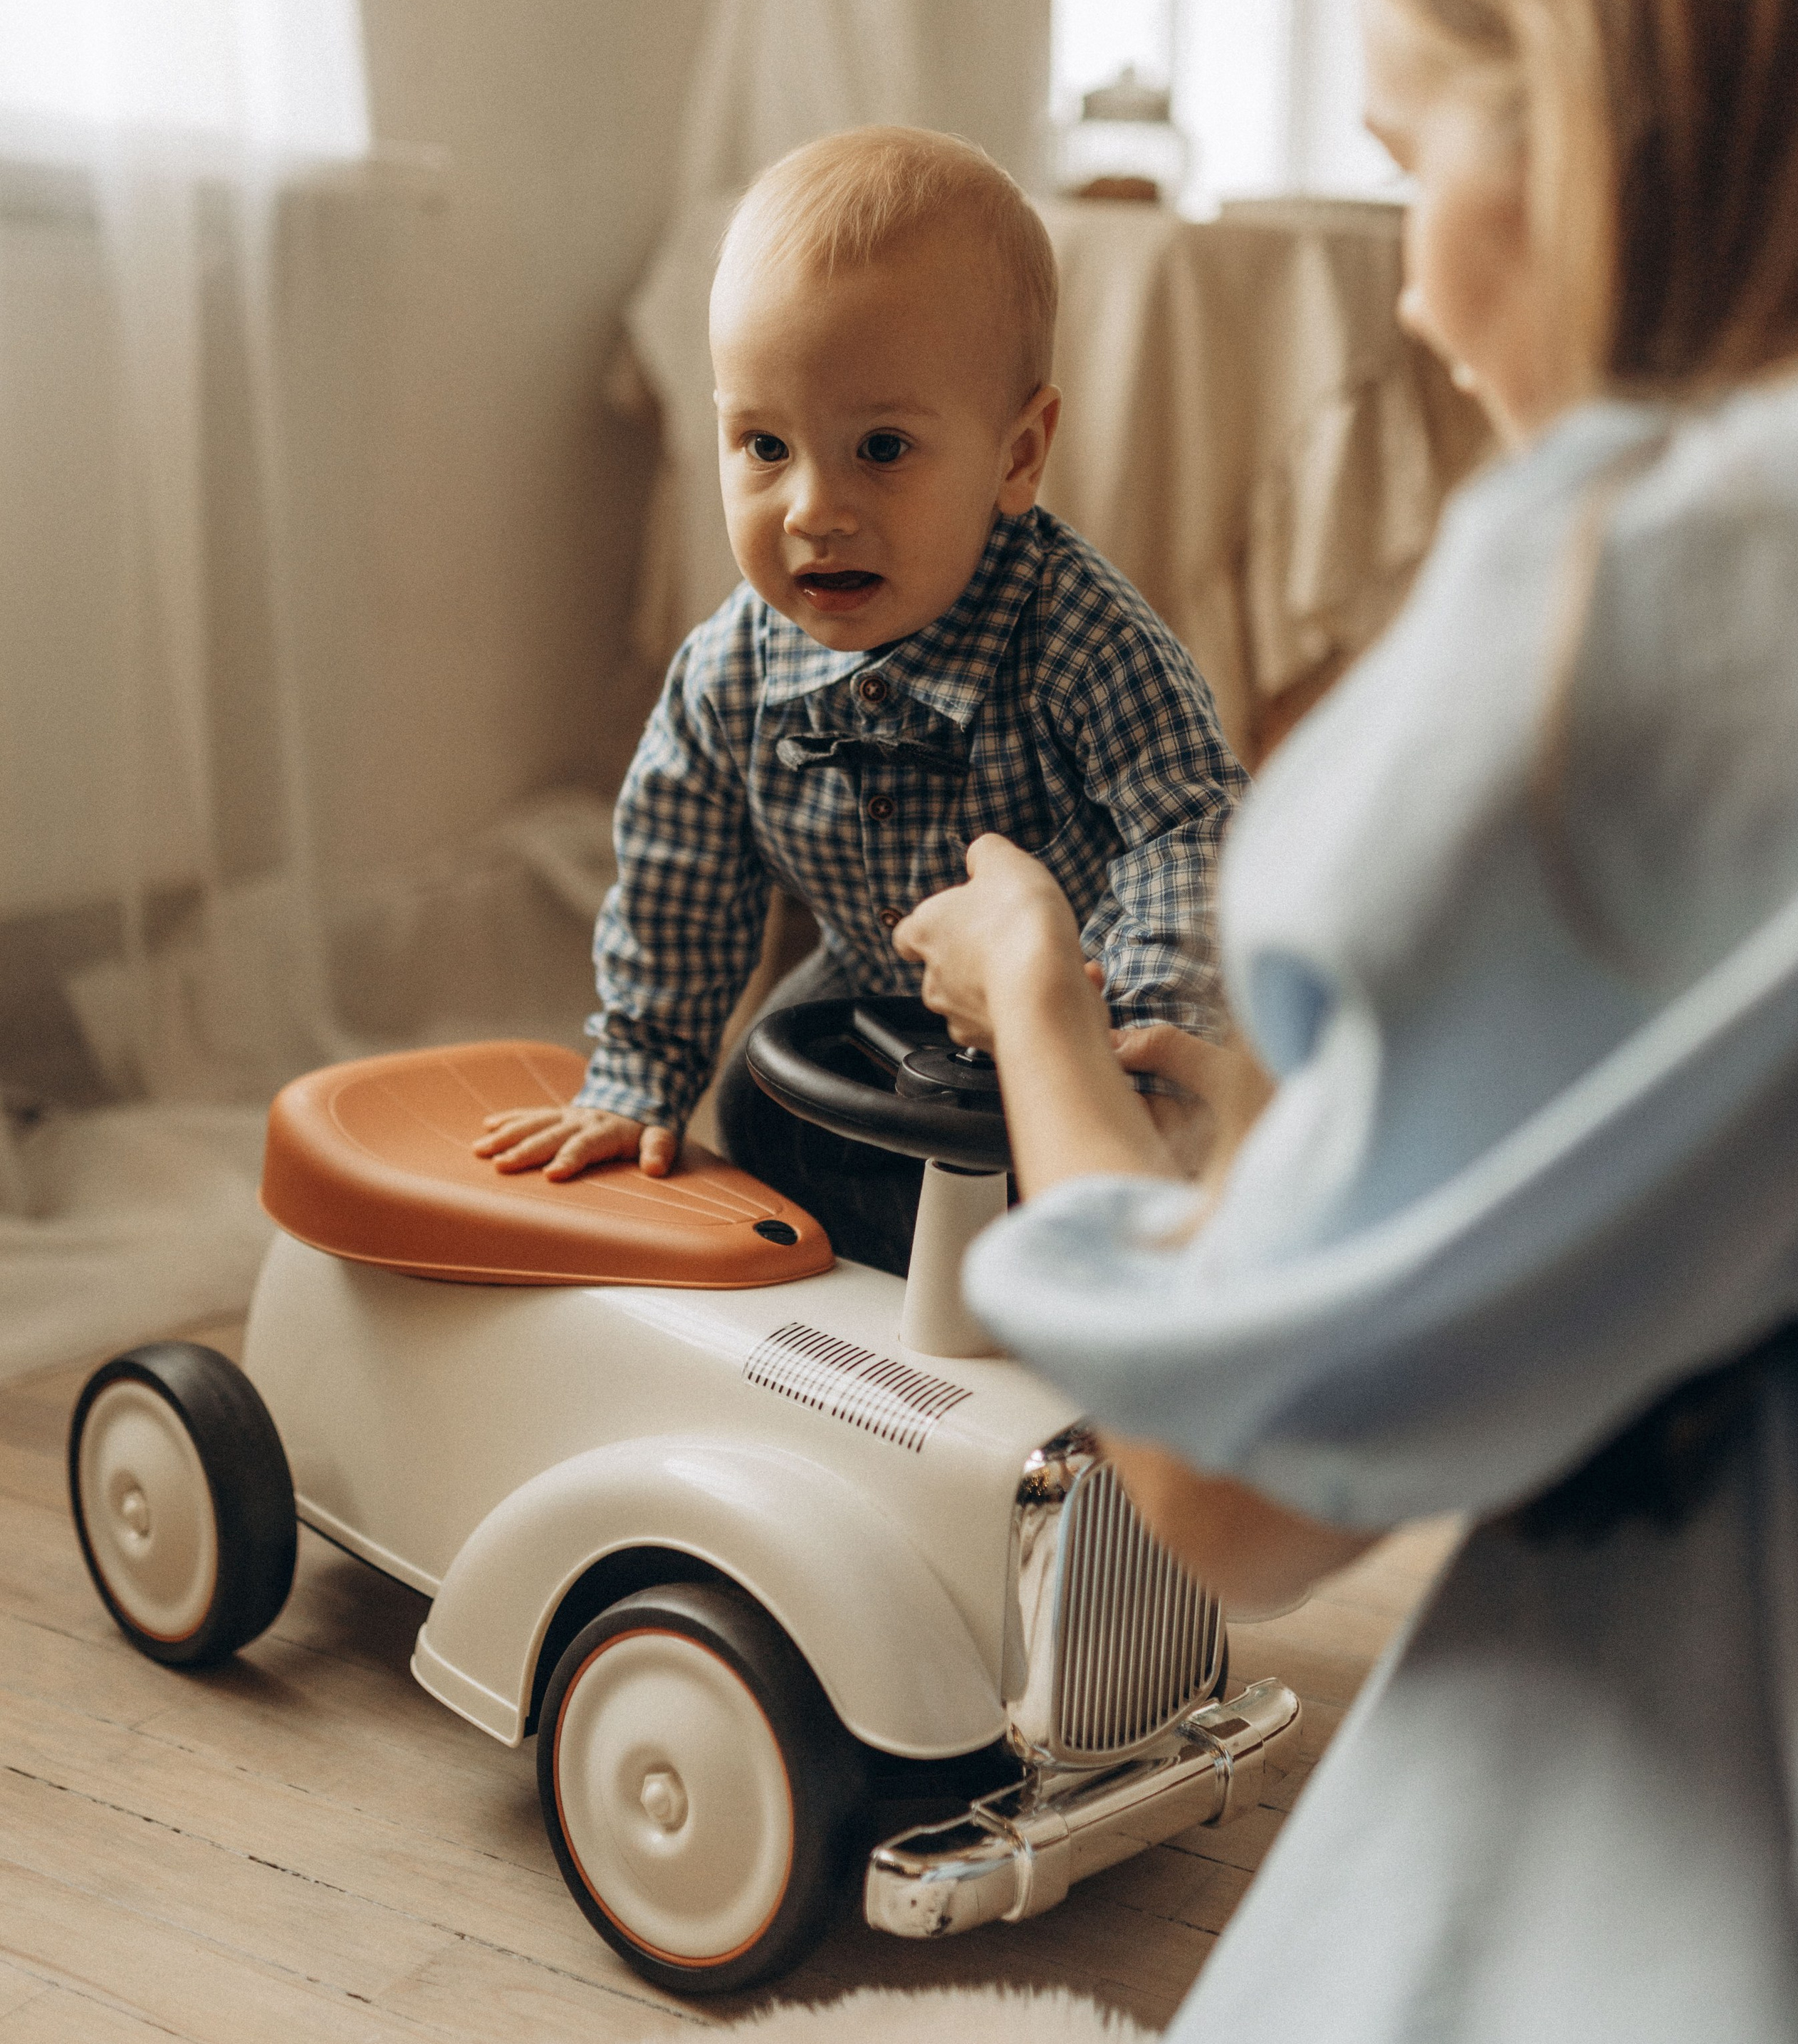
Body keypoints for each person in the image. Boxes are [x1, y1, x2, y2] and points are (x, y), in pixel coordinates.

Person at [897, 0, 1798, 2044]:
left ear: (1627, 98)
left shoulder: (1664, 608)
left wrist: (1046, 1028)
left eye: (1424, 159)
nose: (1416, 293)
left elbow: (1228, 1475)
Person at [475, 125, 1246, 1273]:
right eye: (764, 445)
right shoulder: (730, 671)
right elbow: (680, 879)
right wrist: (640, 1074)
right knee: (755, 1106)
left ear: (1017, 455)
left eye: (881, 448)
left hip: (1065, 1013)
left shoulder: (1077, 635)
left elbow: (1185, 826)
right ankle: (852, 1310)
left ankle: (1039, 1301)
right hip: (871, 991)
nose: (812, 509)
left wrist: (1146, 1031)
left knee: (1120, 1193)